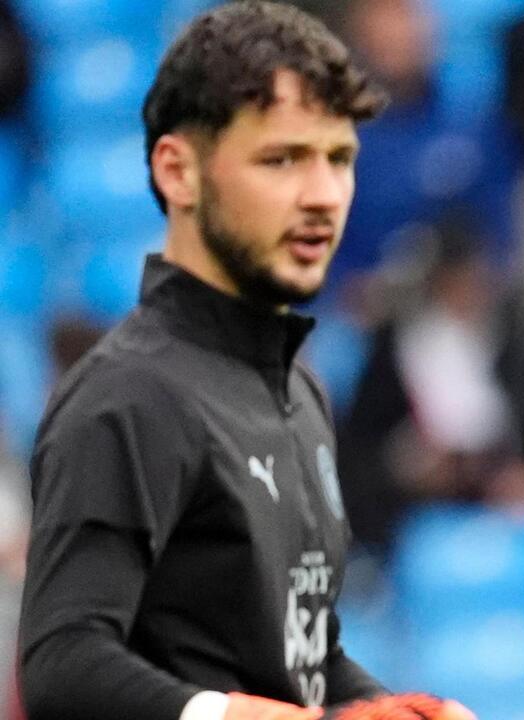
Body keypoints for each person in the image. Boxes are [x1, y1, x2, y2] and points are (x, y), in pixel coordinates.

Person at [17, 4, 473, 720]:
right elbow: (62, 663)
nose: (323, 195)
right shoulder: (127, 397)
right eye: (282, 158)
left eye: (339, 158)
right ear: (179, 172)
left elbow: (303, 659)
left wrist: (384, 710)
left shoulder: (301, 390)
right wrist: (231, 716)